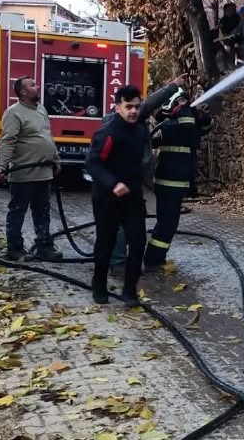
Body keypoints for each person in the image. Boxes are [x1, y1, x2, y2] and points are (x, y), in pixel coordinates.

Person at [85, 85, 149, 305]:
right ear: (117, 107)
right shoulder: (108, 132)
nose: (133, 111)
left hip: (132, 197)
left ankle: (129, 291)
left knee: (138, 242)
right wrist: (113, 183)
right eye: (128, 107)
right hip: (107, 198)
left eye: (136, 107)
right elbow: (92, 163)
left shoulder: (140, 130)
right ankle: (99, 285)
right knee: (106, 242)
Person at [0, 76, 62, 261]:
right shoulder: (13, 113)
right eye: (33, 85)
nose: (38, 86)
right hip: (23, 173)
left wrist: (55, 159)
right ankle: (14, 248)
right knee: (18, 211)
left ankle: (44, 246)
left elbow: (47, 136)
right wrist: (1, 166)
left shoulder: (41, 110)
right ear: (23, 92)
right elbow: (8, 141)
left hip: (44, 172)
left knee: (42, 211)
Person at [144, 88, 201, 269]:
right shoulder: (169, 126)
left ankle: (157, 258)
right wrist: (184, 111)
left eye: (186, 101)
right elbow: (184, 124)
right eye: (181, 102)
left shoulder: (188, 126)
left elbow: (205, 127)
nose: (185, 104)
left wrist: (200, 113)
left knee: (169, 224)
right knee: (167, 224)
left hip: (177, 185)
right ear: (174, 106)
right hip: (167, 184)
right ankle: (153, 260)